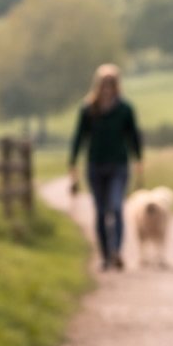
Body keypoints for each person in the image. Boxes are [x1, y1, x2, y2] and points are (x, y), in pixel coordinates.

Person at [69, 63, 144, 271]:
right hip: (95, 165)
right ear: (98, 85)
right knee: (101, 211)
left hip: (119, 165)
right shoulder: (88, 110)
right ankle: (104, 255)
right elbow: (79, 137)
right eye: (104, 84)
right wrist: (72, 163)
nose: (107, 88)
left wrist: (139, 160)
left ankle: (116, 251)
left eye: (111, 84)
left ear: (116, 85)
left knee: (117, 208)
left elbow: (133, 137)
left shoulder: (125, 109)